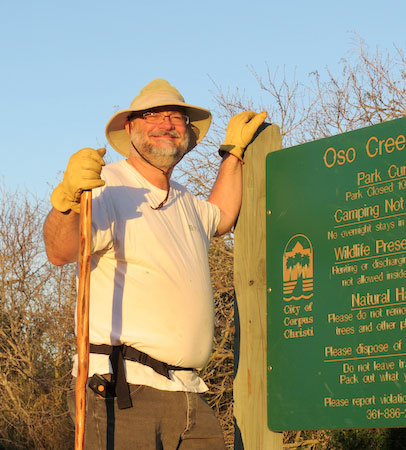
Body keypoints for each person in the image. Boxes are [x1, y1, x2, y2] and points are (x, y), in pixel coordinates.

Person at [43, 78, 266, 449]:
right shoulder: (106, 186)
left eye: (176, 117)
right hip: (123, 390)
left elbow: (223, 216)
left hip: (190, 392)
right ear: (129, 128)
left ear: (189, 135)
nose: (166, 124)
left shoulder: (187, 203)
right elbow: (61, 250)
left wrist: (234, 154)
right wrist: (68, 200)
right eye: (153, 115)